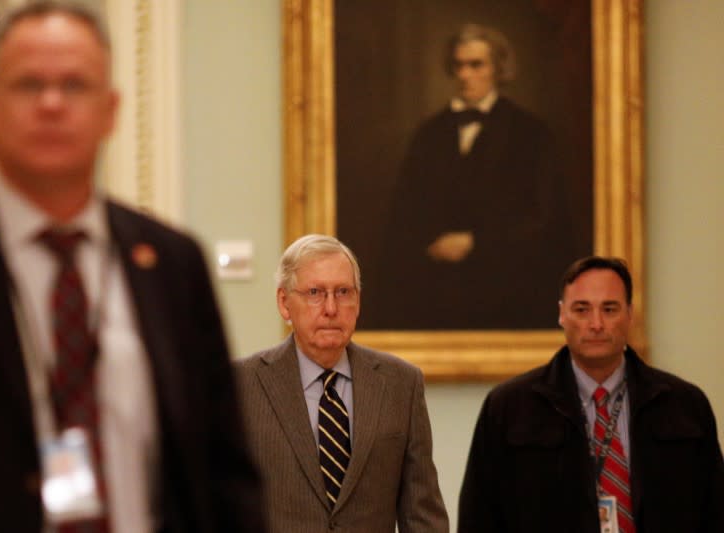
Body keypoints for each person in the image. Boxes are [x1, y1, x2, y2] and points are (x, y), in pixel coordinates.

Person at [0, 2, 264, 532]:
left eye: (75, 85)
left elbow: (224, 473)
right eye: (29, 84)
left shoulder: (172, 264)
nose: (53, 103)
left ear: (110, 110)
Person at [457, 256, 724, 532]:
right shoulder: (509, 408)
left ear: (630, 314)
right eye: (582, 310)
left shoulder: (684, 406)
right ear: (562, 314)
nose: (596, 324)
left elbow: (715, 514)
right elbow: (478, 518)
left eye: (609, 309)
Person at [236, 234, 449, 532]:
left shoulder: (401, 383)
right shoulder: (241, 386)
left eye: (343, 292)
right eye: (314, 292)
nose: (331, 308)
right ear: (284, 303)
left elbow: (423, 514)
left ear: (358, 301)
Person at [372, 23, 577, 330]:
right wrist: (428, 246)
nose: (465, 75)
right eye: (458, 66)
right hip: (435, 295)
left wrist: (475, 243)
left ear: (499, 69)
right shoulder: (428, 134)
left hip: (506, 292)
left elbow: (545, 219)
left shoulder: (530, 133)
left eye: (476, 65)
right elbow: (403, 215)